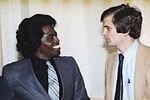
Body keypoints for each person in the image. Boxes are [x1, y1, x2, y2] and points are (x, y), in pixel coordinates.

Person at [0, 14, 90, 100]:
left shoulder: (70, 65)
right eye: (51, 37)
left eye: (56, 35)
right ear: (35, 41)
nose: (57, 40)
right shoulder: (11, 74)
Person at [100, 4, 150, 100]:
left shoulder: (148, 57)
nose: (103, 33)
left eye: (108, 28)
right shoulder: (110, 60)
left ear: (126, 29)